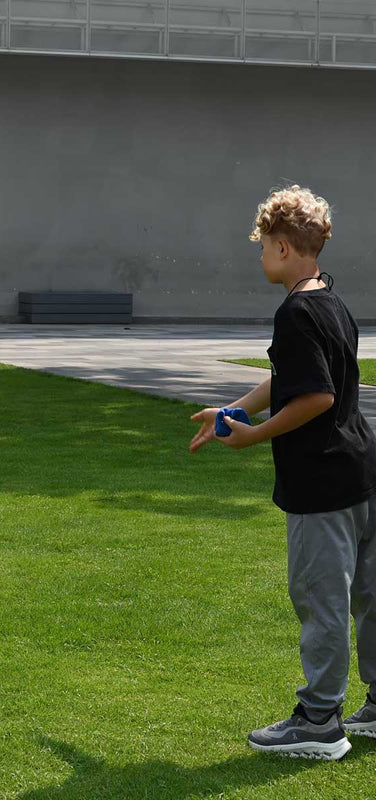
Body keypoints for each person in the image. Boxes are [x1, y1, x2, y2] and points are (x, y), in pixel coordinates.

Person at [189, 185, 376, 761]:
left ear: (285, 246)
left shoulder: (295, 311)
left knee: (322, 598)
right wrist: (236, 410)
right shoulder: (328, 299)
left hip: (321, 484)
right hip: (363, 472)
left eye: (264, 244)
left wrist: (253, 436)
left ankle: (320, 721)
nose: (261, 254)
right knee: (369, 594)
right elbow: (292, 377)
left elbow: (315, 396)